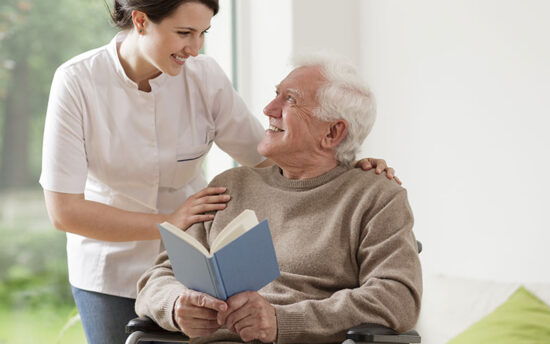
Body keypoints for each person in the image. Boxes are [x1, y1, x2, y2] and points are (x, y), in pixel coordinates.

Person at [39, 1, 396, 343]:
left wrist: (352, 170)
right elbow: (65, 211)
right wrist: (171, 222)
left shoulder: (203, 77)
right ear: (141, 22)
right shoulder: (77, 82)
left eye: (203, 32)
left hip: (195, 268)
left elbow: (273, 153)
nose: (194, 48)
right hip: (111, 265)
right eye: (184, 32)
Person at [135, 53, 422, 343]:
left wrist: (282, 320)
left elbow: (397, 298)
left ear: (333, 132)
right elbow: (156, 278)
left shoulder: (376, 197)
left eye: (291, 100)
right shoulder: (230, 186)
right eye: (276, 94)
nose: (269, 108)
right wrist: (176, 304)